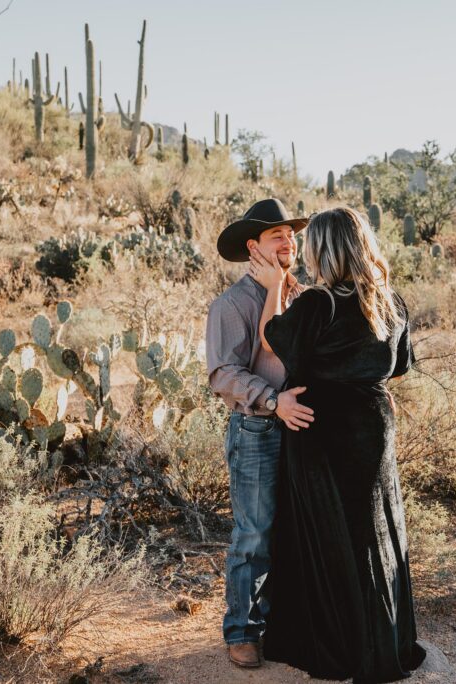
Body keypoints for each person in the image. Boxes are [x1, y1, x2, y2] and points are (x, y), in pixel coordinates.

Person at [249, 206, 427, 682]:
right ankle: (384, 638)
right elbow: (400, 366)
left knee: (328, 534)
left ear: (324, 249)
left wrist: (272, 290)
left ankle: (340, 644)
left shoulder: (317, 304)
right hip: (373, 424)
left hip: (319, 428)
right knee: (376, 529)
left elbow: (273, 340)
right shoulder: (392, 302)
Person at [205, 198, 316, 669]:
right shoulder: (232, 304)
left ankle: (286, 625)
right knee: (254, 534)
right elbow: (222, 374)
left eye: (291, 233)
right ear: (253, 247)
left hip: (305, 429)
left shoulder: (303, 295)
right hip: (257, 429)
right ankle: (242, 631)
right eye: (276, 234)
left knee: (297, 531)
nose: (288, 239)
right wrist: (274, 400)